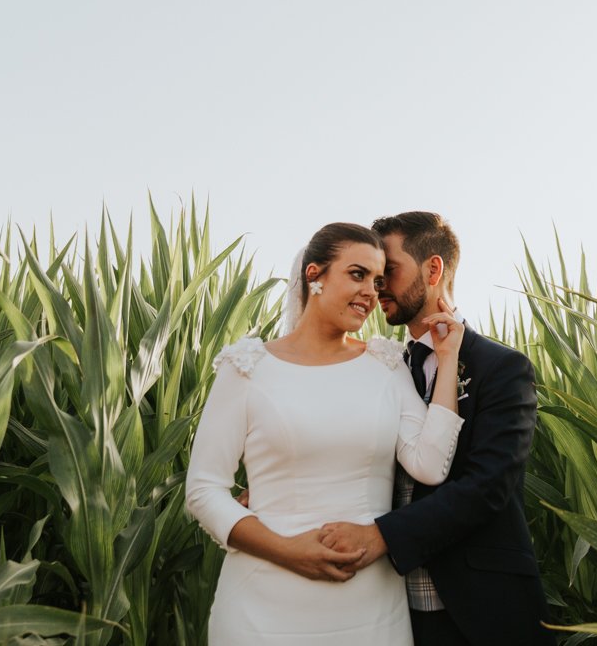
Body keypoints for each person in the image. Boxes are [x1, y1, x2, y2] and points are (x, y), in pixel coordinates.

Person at [185, 222, 466, 645]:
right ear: (314, 275)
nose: (372, 292)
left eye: (377, 280)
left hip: (370, 610)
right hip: (262, 606)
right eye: (357, 274)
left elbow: (430, 465)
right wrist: (288, 550)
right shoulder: (246, 368)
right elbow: (204, 490)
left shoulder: (385, 365)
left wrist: (447, 361)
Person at [318, 211, 552, 646]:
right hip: (390, 609)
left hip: (482, 610)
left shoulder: (502, 369)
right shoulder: (379, 367)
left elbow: (488, 486)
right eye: (368, 274)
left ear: (433, 269)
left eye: (388, 270)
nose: (376, 286)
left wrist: (382, 536)